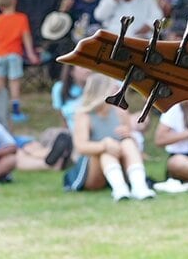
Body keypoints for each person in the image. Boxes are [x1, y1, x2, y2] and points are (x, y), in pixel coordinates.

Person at [63, 72, 153, 200]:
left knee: (127, 142)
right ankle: (119, 189)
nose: (118, 89)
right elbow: (81, 147)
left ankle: (139, 186)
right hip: (94, 167)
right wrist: (104, 145)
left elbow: (135, 145)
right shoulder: (84, 114)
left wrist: (130, 135)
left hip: (121, 159)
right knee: (107, 149)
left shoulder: (121, 110)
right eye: (114, 87)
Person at [0, 0, 37, 121]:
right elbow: (26, 37)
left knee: (0, 82)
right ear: (14, 1)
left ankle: (0, 107)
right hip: (14, 55)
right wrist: (31, 53)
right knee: (14, 82)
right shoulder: (21, 18)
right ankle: (15, 109)